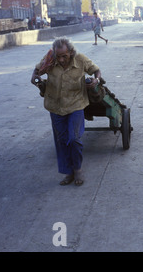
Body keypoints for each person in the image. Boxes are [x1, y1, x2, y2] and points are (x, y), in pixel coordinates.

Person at [30, 37, 102, 186]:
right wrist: (35, 77)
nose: (61, 59)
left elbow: (96, 70)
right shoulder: (50, 59)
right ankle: (68, 172)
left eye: (65, 56)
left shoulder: (80, 59)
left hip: (76, 104)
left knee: (74, 138)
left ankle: (78, 169)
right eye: (59, 56)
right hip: (55, 106)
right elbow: (37, 70)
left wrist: (96, 80)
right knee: (62, 140)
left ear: (71, 52)